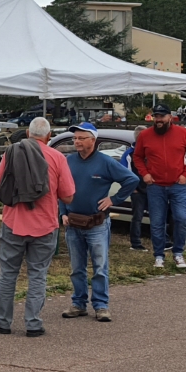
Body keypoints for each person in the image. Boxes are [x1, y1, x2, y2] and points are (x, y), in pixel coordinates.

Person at [0, 116, 75, 337]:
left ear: (27, 133)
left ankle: (2, 321)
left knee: (8, 274)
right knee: (37, 275)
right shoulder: (57, 158)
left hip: (13, 223)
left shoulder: (11, 153)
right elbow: (68, 196)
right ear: (49, 136)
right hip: (45, 225)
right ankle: (33, 324)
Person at [60, 122, 138, 322]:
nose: (76, 141)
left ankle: (101, 305)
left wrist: (114, 199)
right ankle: (78, 303)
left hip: (97, 224)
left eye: (81, 138)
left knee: (100, 267)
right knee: (76, 268)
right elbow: (60, 188)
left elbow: (132, 180)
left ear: (92, 140)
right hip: (73, 223)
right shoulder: (68, 161)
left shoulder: (106, 162)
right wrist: (62, 213)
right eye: (75, 138)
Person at [134, 103, 186, 270]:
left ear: (170, 117)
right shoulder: (145, 135)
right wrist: (145, 174)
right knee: (157, 222)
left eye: (162, 116)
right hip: (155, 186)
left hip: (177, 185)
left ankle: (178, 253)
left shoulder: (182, 133)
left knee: (181, 218)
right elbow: (137, 157)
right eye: (156, 116)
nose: (158, 119)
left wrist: (185, 174)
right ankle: (159, 255)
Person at [121, 125, 148, 250]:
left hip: (152, 188)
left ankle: (164, 241)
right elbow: (124, 173)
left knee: (158, 215)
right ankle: (135, 243)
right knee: (137, 217)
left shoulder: (150, 150)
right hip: (138, 191)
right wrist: (133, 189)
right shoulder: (129, 154)